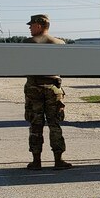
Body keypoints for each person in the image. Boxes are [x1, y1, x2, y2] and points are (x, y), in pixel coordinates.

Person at [23, 14, 72, 170]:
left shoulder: (26, 44)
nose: (30, 27)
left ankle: (36, 161)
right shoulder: (60, 43)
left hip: (34, 87)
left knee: (35, 125)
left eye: (31, 25)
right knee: (54, 124)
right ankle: (58, 160)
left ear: (39, 25)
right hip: (53, 88)